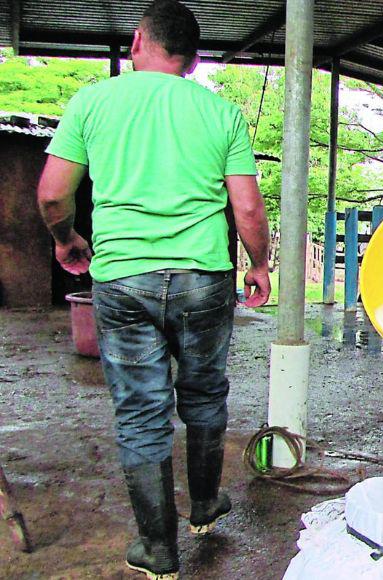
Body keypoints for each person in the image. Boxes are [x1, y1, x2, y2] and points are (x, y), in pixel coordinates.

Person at [36, 1, 271, 577]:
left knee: (141, 411)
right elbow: (246, 207)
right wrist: (259, 265)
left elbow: (51, 194)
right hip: (202, 278)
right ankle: (205, 507)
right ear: (192, 61)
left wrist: (66, 237)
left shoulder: (92, 101)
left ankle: (158, 549)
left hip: (122, 278)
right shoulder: (221, 112)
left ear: (139, 40)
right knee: (204, 392)